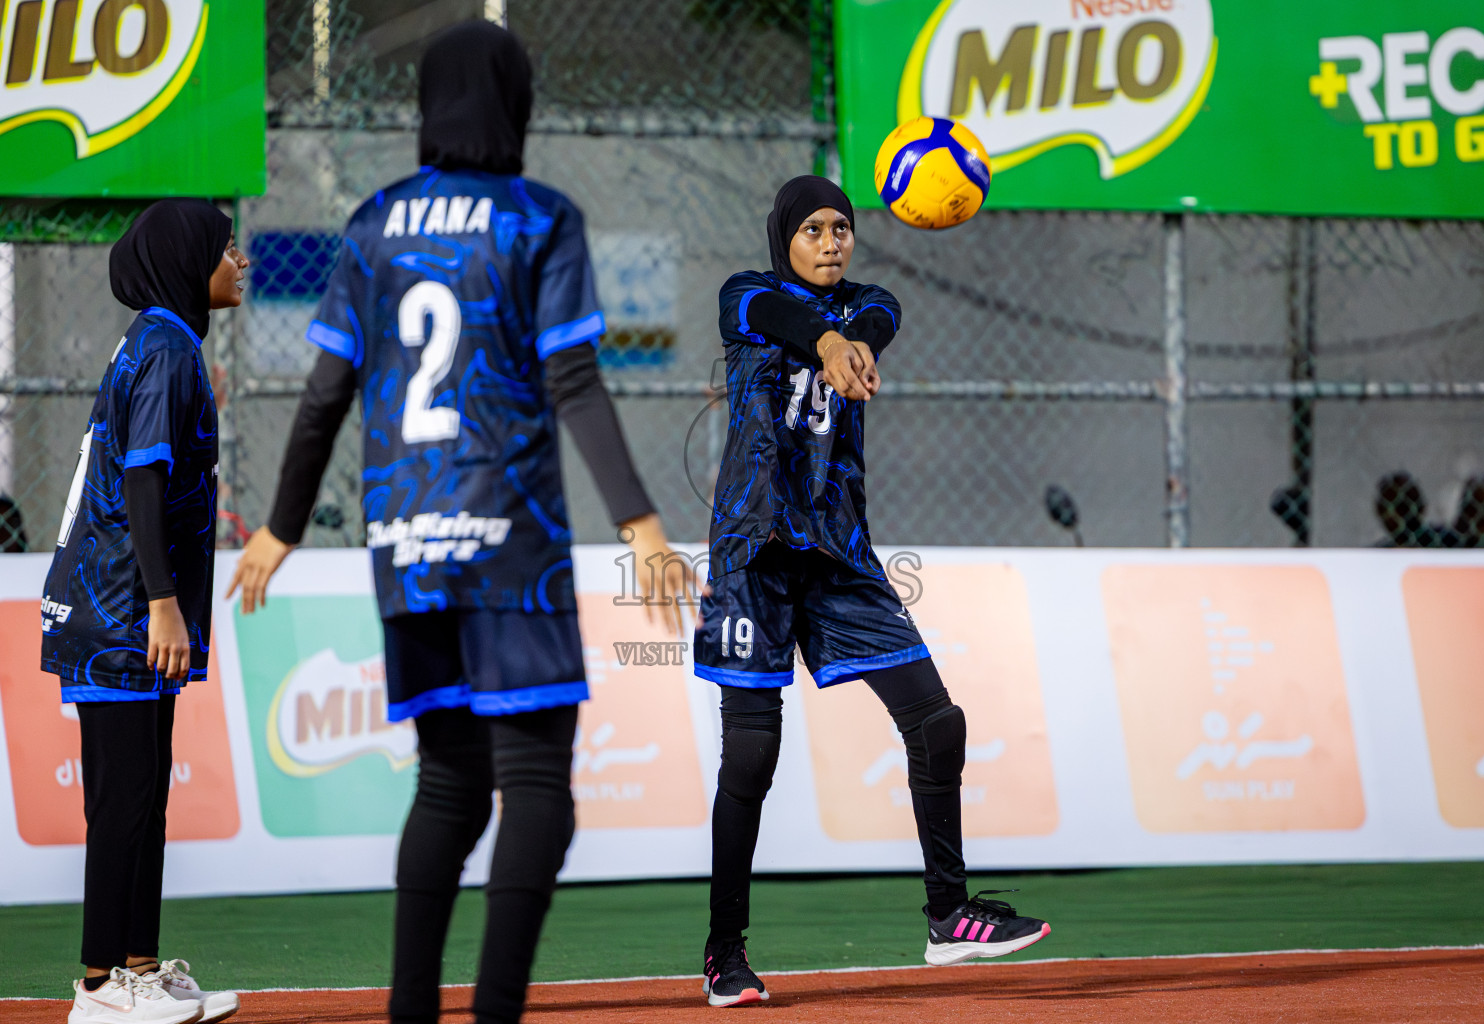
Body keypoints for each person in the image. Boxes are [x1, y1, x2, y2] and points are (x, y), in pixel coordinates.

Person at [225, 22, 688, 1024]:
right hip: (507, 534)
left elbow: (323, 395)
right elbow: (571, 377)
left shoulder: (373, 222)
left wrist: (281, 528)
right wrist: (641, 521)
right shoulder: (538, 218)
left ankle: (410, 1013)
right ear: (515, 103)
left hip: (403, 537)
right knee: (537, 786)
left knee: (447, 784)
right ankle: (494, 1013)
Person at [691, 176, 1050, 1008]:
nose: (830, 241)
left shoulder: (873, 307)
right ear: (784, 236)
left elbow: (874, 324)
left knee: (937, 720)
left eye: (842, 228)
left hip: (839, 555)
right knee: (751, 756)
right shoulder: (745, 297)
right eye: (812, 228)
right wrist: (823, 345)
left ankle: (948, 915)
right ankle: (724, 951)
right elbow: (785, 321)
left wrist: (846, 340)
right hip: (755, 553)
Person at [40, 199, 245, 1024]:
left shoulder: (167, 340)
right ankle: (98, 987)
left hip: (129, 607)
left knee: (146, 792)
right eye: (225, 248)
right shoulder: (165, 346)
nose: (239, 261)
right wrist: (163, 603)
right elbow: (143, 479)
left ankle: (142, 969)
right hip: (122, 608)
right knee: (122, 800)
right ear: (185, 259)